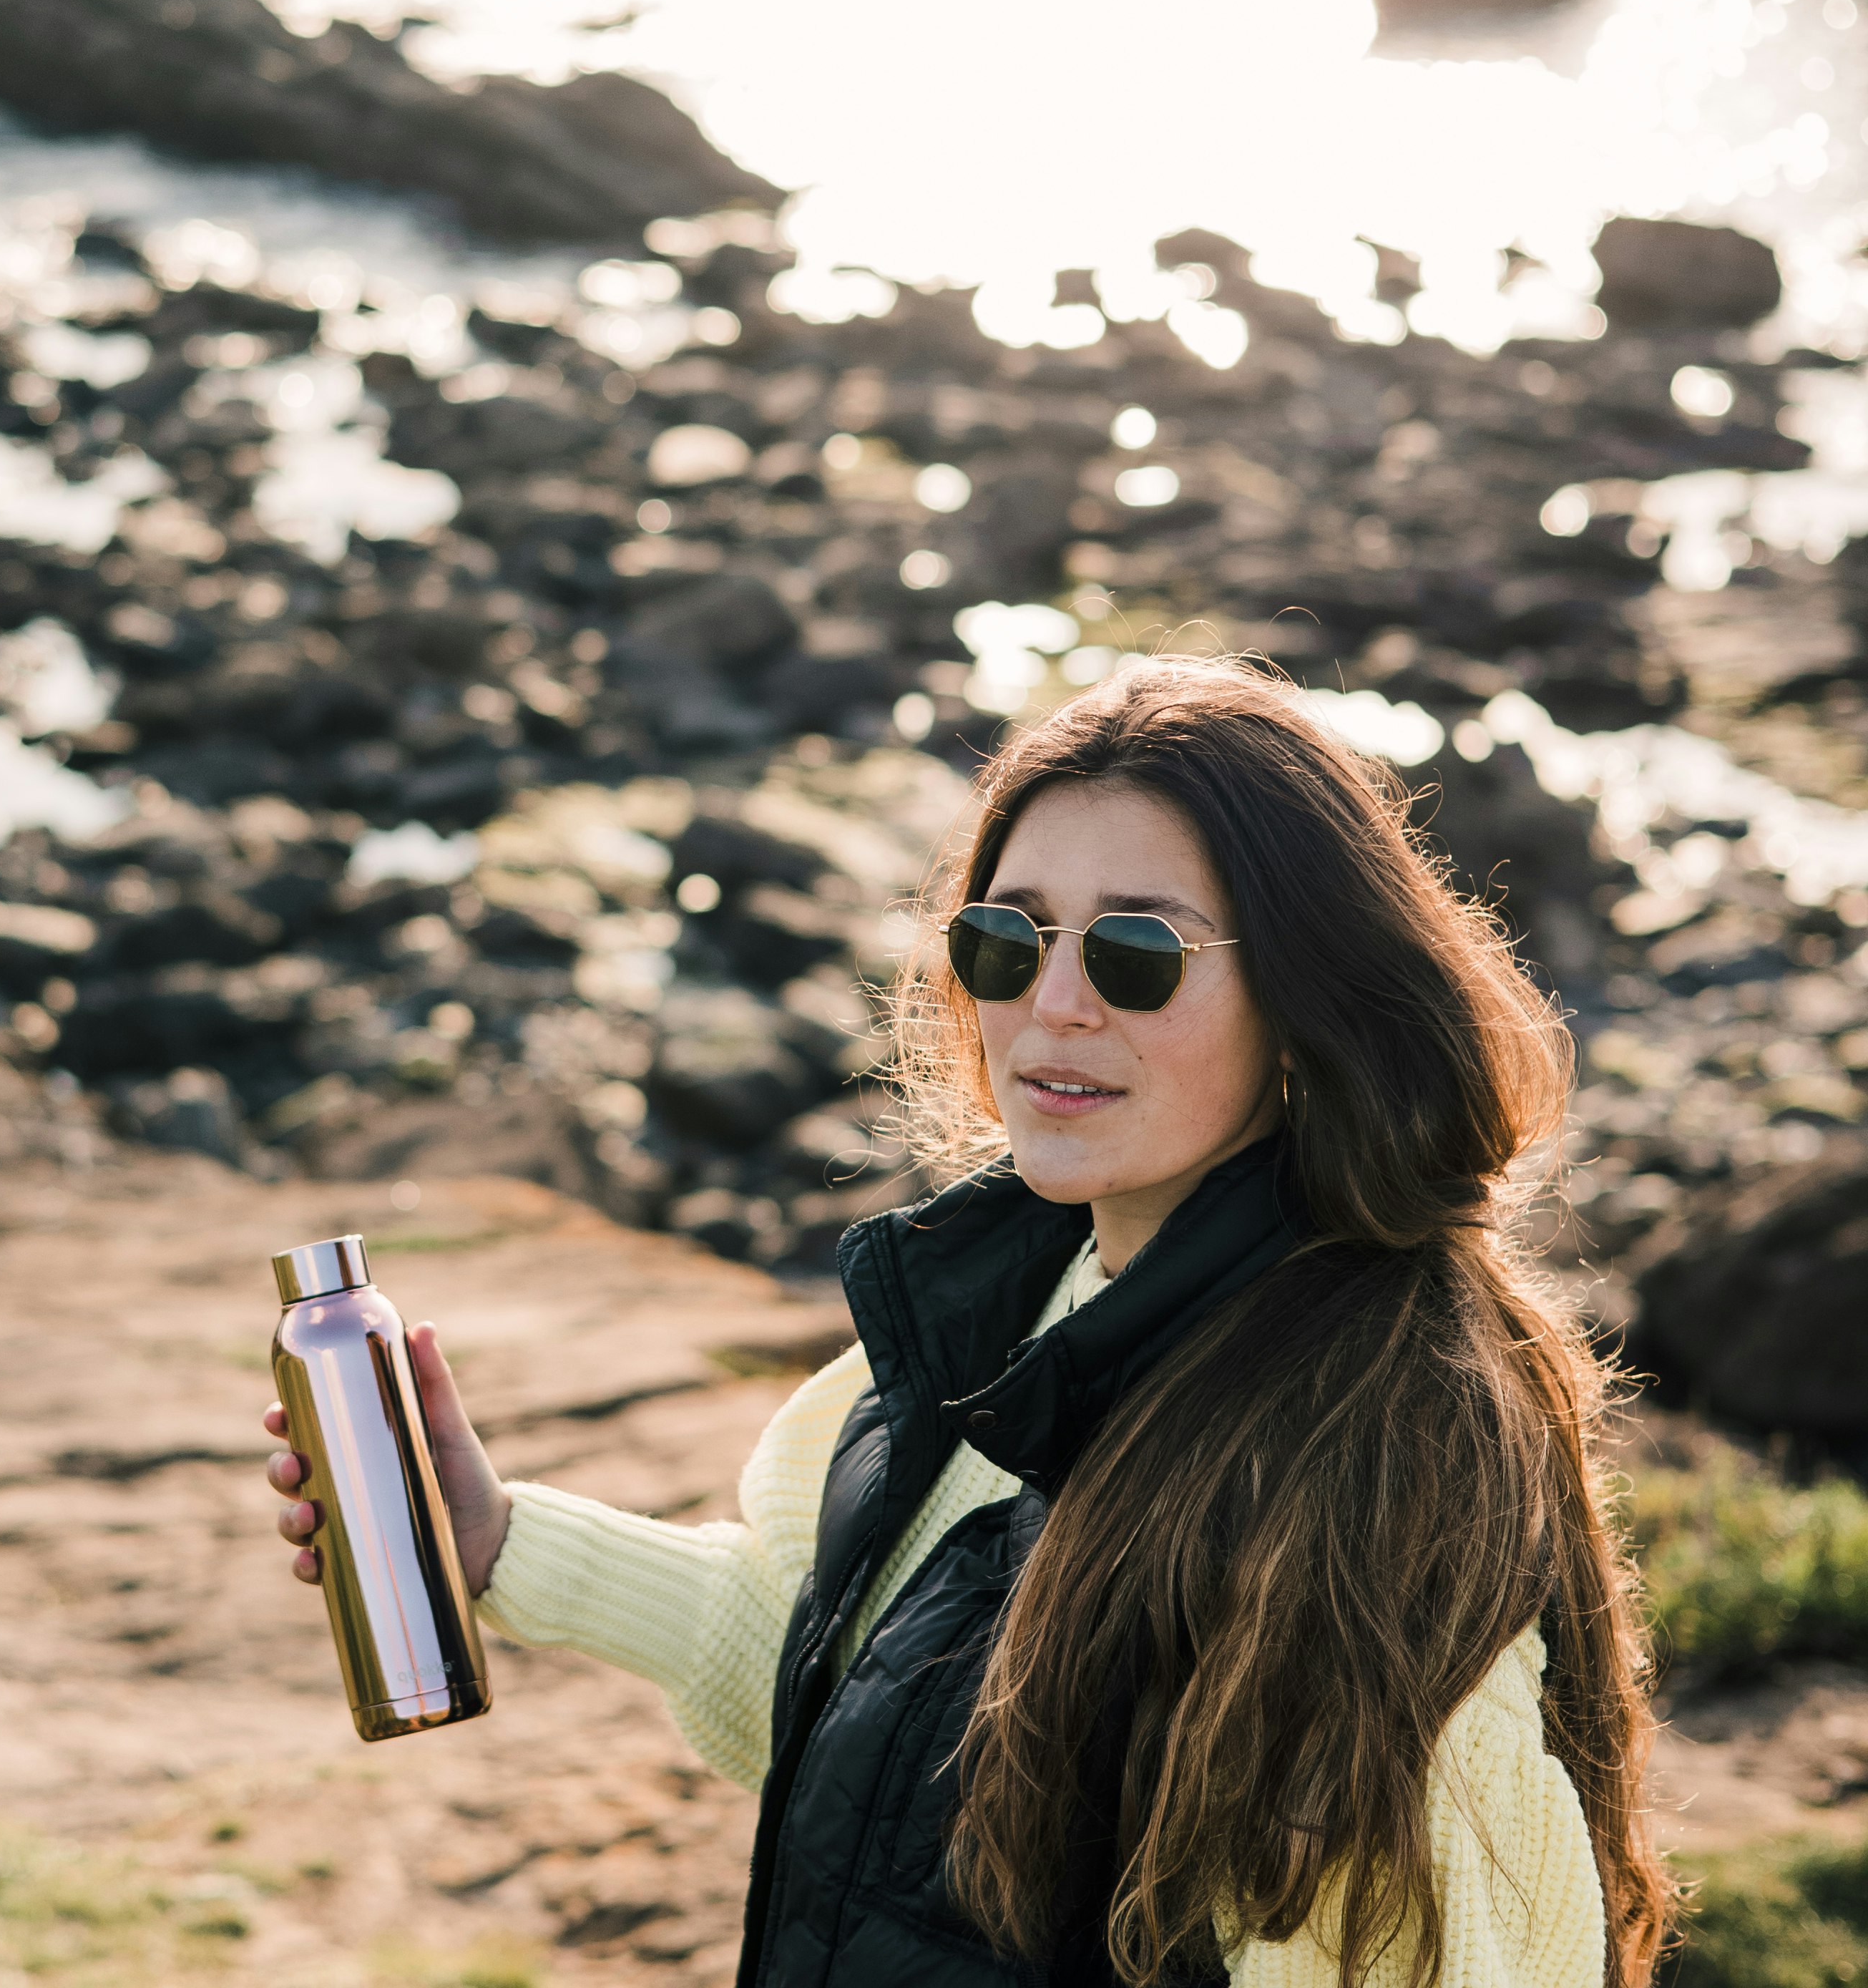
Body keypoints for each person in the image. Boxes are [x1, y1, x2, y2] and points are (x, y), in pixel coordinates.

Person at [264, 658, 1668, 1987]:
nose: (1054, 1004)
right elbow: (865, 1714)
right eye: (1008, 940)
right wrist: (501, 1538)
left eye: (1138, 955)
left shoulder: (1366, 1464)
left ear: (1307, 998)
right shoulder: (1020, 1307)